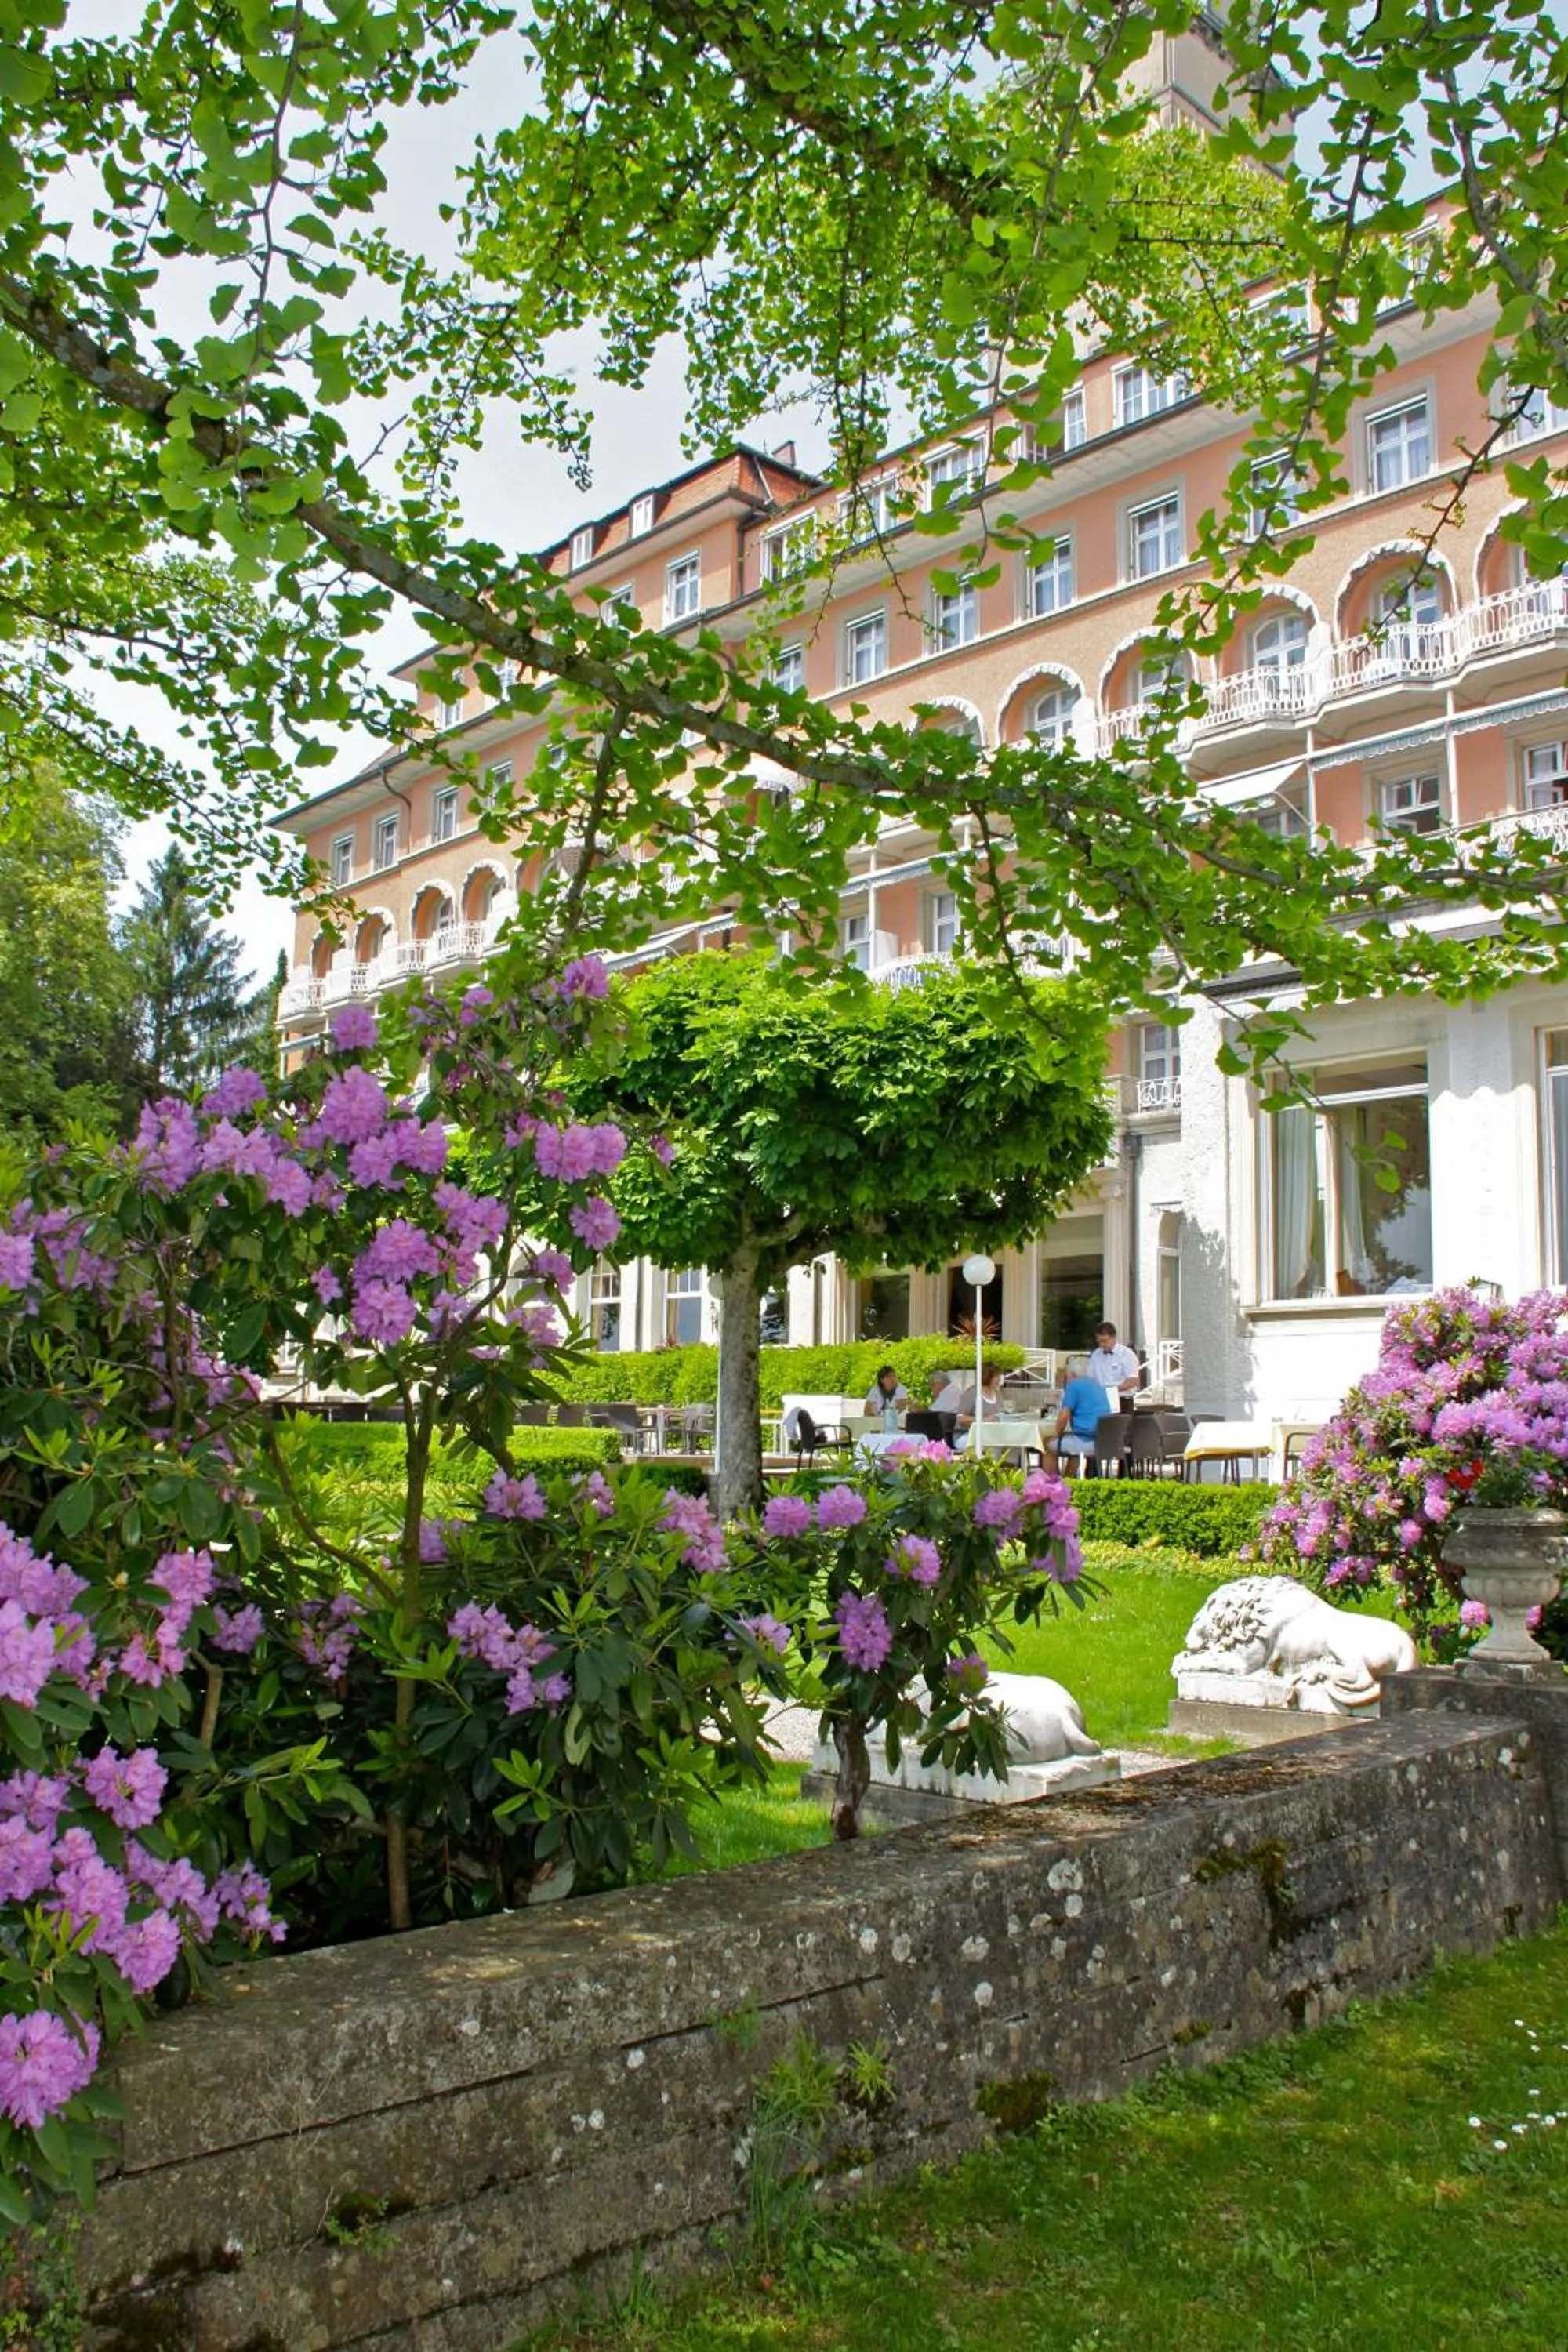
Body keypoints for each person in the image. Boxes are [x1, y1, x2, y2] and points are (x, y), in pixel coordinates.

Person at [1047, 1362, 1116, 1475]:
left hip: (1086, 1440)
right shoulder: (1098, 1386)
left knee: (1048, 1446)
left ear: (1072, 1375)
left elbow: (1064, 1416)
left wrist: (1056, 1433)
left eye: (1066, 1376)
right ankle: (1068, 1482)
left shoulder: (1074, 1386)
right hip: (1103, 1441)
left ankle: (1051, 1485)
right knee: (1073, 1445)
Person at [1086, 1321, 1142, 1409]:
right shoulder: (1096, 1355)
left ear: (1114, 1338)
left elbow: (1134, 1381)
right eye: (1099, 1341)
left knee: (1118, 1422)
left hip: (1122, 1401)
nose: (1101, 1344)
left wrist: (1111, 1391)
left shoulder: (1127, 1354)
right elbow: (1091, 1379)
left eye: (1105, 1341)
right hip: (1100, 1400)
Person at [862, 1364, 909, 1428]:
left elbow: (900, 1408)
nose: (893, 1379)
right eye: (889, 1377)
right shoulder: (874, 1390)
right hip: (876, 1423)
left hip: (896, 1423)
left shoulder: (901, 1389)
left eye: (894, 1376)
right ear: (882, 1379)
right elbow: (867, 1411)